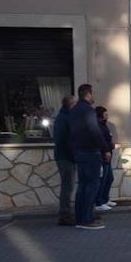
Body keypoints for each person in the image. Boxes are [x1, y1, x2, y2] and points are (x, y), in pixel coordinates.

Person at [69, 84, 107, 230]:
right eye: (93, 93)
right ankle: (87, 219)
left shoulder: (74, 111)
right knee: (92, 185)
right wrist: (105, 149)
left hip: (79, 152)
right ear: (89, 94)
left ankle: (80, 218)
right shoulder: (88, 111)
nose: (94, 96)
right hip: (90, 152)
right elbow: (95, 131)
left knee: (83, 186)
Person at [53, 95, 77, 226]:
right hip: (66, 156)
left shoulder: (63, 117)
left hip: (64, 155)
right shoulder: (65, 119)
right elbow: (66, 139)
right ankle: (64, 214)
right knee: (68, 186)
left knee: (68, 186)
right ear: (70, 104)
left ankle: (66, 213)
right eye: (75, 103)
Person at [94, 106, 116, 212]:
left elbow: (107, 137)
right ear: (100, 116)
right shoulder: (98, 126)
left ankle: (105, 199)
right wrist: (106, 150)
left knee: (109, 178)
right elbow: (101, 140)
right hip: (103, 156)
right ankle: (99, 202)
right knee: (102, 180)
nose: (107, 117)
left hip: (108, 154)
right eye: (105, 115)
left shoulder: (104, 125)